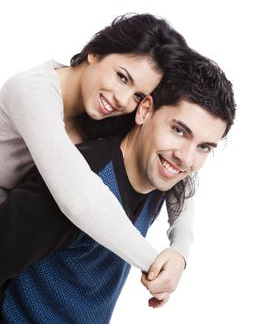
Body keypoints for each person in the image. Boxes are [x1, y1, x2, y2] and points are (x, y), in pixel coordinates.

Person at [0, 57, 236, 323]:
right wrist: (154, 262)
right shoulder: (78, 179)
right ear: (145, 110)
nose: (186, 158)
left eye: (204, 146)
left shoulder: (161, 174)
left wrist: (180, 251)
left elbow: (187, 185)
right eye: (179, 131)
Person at [0, 13, 195, 278]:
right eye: (122, 77)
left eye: (138, 95)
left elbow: (183, 172)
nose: (122, 100)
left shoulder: (106, 114)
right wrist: (155, 265)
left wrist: (179, 249)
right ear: (94, 53)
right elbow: (79, 199)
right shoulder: (32, 92)